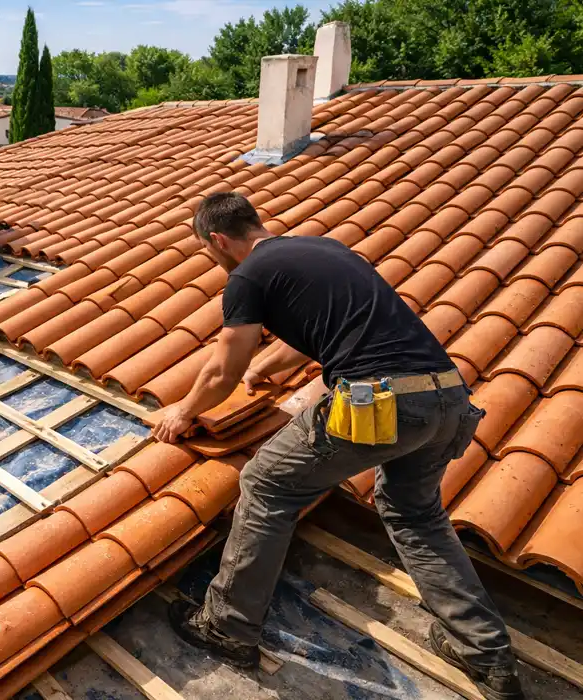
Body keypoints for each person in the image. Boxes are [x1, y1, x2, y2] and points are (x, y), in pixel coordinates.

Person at [151, 192, 522, 700]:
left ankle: (227, 627)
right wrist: (268, 367)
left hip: (383, 402)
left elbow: (221, 370)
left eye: (207, 250)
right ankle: (488, 658)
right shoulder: (325, 250)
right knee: (416, 514)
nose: (212, 259)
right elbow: (316, 332)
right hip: (448, 398)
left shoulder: (247, 276)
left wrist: (184, 410)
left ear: (218, 240)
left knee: (265, 485)